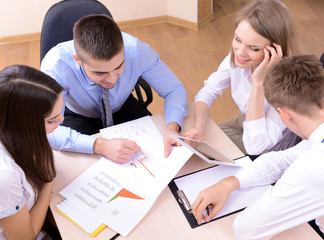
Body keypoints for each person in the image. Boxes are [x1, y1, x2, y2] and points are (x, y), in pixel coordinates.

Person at [191, 55, 324, 239]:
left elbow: (245, 230)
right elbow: (283, 159)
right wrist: (231, 182)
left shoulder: (317, 167)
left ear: (284, 115)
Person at [41, 14, 187, 163]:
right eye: (100, 72)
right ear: (77, 59)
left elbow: (174, 89)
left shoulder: (137, 50)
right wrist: (99, 145)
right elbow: (43, 128)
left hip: (122, 105)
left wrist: (173, 127)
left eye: (118, 67)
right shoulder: (56, 66)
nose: (111, 80)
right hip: (77, 114)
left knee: (159, 156)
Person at [185, 0, 298, 155]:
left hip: (267, 146)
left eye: (253, 48)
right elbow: (208, 91)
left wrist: (258, 82)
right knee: (193, 143)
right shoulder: (238, 59)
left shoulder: (288, 85)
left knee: (198, 153)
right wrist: (199, 125)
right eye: (238, 39)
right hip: (244, 123)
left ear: (275, 50)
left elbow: (257, 145)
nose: (240, 53)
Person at [0, 65, 64, 239]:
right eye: (52, 120)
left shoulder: (11, 129)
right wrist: (49, 180)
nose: (62, 120)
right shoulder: (5, 176)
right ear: (24, 125)